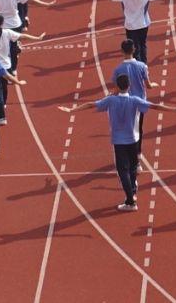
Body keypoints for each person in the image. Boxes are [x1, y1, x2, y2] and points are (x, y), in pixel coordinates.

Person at [67, 73, 168, 211]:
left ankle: (130, 202)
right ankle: (133, 189)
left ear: (116, 86)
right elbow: (154, 106)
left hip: (119, 142)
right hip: (133, 140)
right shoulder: (134, 100)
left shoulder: (110, 101)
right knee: (132, 167)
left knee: (123, 171)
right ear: (129, 86)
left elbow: (91, 104)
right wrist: (173, 109)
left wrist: (72, 110)